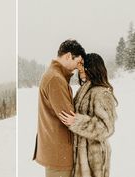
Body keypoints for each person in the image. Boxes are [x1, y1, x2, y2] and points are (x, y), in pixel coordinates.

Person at [33, 39, 86, 177]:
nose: (77, 67)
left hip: (57, 150)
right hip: (59, 153)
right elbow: (69, 117)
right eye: (78, 62)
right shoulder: (55, 79)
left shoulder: (56, 76)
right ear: (68, 56)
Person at [59, 53, 117, 177]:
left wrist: (77, 122)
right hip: (81, 155)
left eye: (82, 66)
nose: (79, 69)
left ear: (92, 69)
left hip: (94, 158)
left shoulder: (101, 93)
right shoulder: (85, 89)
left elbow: (107, 128)